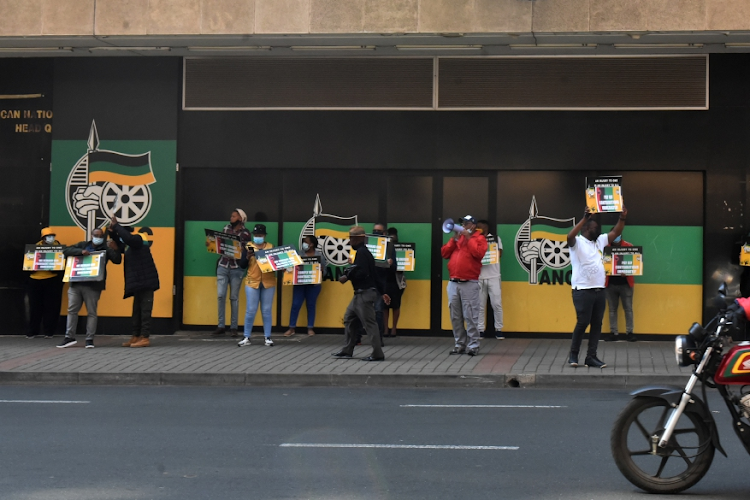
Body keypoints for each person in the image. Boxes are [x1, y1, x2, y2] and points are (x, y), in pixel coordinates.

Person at [566, 207, 627, 368]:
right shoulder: (577, 243)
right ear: (586, 228)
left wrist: (622, 218)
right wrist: (584, 218)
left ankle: (591, 357)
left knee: (597, 323)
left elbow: (615, 232)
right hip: (582, 290)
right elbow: (569, 236)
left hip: (599, 290)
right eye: (594, 228)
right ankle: (573, 354)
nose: (597, 231)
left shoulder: (599, 242)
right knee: (582, 322)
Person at [332, 226, 391, 361]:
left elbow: (362, 273)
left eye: (352, 238)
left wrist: (348, 275)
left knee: (370, 324)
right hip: (360, 294)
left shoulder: (362, 253)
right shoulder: (364, 253)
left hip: (364, 294)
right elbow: (373, 274)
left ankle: (377, 353)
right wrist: (382, 292)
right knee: (349, 318)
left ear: (359, 238)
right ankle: (347, 350)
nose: (350, 241)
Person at [58, 227, 122, 348]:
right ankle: (69, 337)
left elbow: (117, 260)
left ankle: (89, 339)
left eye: (100, 236)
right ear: (91, 236)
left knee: (91, 312)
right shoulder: (82, 245)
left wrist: (116, 249)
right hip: (76, 284)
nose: (98, 238)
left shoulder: (105, 249)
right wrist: (80, 252)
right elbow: (66, 250)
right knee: (72, 310)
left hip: (93, 286)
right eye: (96, 235)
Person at [109, 216, 160, 348]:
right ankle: (135, 336)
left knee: (145, 311)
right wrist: (112, 232)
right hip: (138, 283)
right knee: (136, 311)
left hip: (146, 281)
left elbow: (128, 239)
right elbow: (120, 245)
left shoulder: (139, 238)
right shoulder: (128, 246)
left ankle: (145, 337)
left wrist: (116, 226)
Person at [441, 215, 488, 356]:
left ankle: (473, 345)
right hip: (453, 282)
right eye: (462, 223)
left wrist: (468, 238)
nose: (462, 225)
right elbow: (444, 253)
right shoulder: (458, 239)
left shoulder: (480, 238)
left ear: (473, 225)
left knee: (470, 315)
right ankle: (459, 344)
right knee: (455, 316)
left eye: (466, 223)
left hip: (469, 283)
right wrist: (454, 239)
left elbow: (478, 253)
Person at [213, 208, 251, 337]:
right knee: (220, 296)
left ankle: (233, 327)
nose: (231, 218)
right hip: (223, 265)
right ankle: (221, 325)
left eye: (234, 216)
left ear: (240, 218)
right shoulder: (226, 229)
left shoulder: (246, 233)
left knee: (234, 298)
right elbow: (220, 244)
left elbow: (247, 250)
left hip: (236, 267)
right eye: (231, 216)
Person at [238, 224, 276, 347]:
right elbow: (242, 265)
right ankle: (246, 337)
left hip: (268, 282)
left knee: (266, 310)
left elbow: (276, 265)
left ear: (264, 236)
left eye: (260, 235)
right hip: (252, 282)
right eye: (256, 235)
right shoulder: (248, 247)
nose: (258, 237)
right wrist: (247, 257)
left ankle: (268, 337)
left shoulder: (271, 247)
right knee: (251, 310)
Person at [283, 235, 327, 337]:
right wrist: (286, 269)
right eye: (304, 242)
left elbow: (324, 272)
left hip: (313, 285)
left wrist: (321, 270)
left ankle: (310, 328)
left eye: (306, 242)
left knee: (311, 305)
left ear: (312, 244)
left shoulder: (319, 256)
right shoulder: (298, 254)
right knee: (295, 305)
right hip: (299, 284)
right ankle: (291, 328)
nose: (304, 244)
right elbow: (290, 267)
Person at [26, 227, 64, 338]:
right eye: (47, 236)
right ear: (42, 238)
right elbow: (28, 265)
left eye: (52, 235)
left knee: (51, 307)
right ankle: (33, 331)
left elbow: (62, 264)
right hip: (35, 280)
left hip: (52, 280)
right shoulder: (34, 248)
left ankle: (49, 331)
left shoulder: (58, 248)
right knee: (35, 307)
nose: (50, 238)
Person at [604, 233, 636, 342]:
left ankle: (630, 333)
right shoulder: (606, 248)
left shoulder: (629, 247)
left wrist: (626, 272)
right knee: (612, 310)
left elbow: (635, 264)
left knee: (628, 309)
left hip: (625, 284)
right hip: (610, 284)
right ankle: (614, 333)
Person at [476, 220, 504, 340]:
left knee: (496, 304)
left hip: (493, 276)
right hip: (479, 276)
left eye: (480, 227)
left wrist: (487, 251)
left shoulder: (496, 239)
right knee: (480, 305)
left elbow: (500, 254)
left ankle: (499, 329)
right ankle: (480, 330)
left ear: (486, 228)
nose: (478, 229)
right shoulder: (474, 239)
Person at [372, 223, 395, 344]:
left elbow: (394, 267)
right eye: (374, 230)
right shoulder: (367, 245)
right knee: (359, 311)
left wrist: (390, 264)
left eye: (379, 231)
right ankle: (357, 338)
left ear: (384, 233)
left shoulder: (389, 247)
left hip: (380, 283)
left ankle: (378, 339)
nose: (376, 233)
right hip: (367, 282)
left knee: (378, 311)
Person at [384, 226, 406, 337]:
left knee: (396, 305)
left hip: (397, 280)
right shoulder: (384, 248)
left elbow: (406, 263)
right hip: (386, 279)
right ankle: (385, 329)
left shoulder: (402, 248)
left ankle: (394, 328)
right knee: (385, 306)